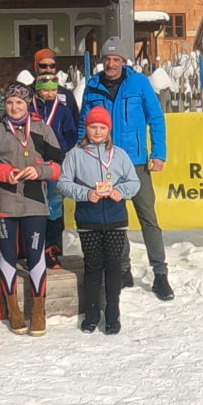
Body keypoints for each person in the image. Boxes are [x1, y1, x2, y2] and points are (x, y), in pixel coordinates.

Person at [79, 37, 173, 301]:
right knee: (114, 221)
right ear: (102, 61)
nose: (111, 64)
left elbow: (156, 118)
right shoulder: (93, 86)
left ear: (123, 61)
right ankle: (123, 270)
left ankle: (160, 274)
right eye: (107, 59)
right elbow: (84, 122)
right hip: (105, 163)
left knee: (148, 219)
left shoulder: (139, 83)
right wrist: (82, 154)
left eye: (116, 59)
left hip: (137, 163)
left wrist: (159, 153)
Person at [0, 83, 62, 336]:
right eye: (9, 102)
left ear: (27, 104)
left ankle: (38, 310)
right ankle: (13, 309)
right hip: (5, 203)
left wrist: (39, 171)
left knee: (35, 255)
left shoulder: (41, 129)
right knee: (7, 255)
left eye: (19, 102)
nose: (14, 107)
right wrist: (4, 172)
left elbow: (58, 165)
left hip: (35, 203)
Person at [58, 106, 141, 334]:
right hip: (89, 219)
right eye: (93, 127)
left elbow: (134, 182)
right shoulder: (76, 155)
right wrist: (85, 193)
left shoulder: (119, 154)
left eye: (102, 127)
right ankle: (92, 312)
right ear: (86, 129)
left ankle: (113, 311)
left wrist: (120, 191)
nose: (97, 132)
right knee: (93, 266)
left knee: (114, 266)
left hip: (116, 218)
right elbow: (63, 183)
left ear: (108, 130)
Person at [30, 73, 77, 270]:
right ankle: (33, 251)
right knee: (33, 206)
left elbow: (71, 134)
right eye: (46, 90)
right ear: (37, 91)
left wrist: (58, 150)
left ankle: (51, 250)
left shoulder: (63, 111)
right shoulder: (30, 109)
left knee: (54, 206)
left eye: (53, 90)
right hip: (33, 164)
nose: (50, 94)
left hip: (55, 165)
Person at [34, 48, 80, 129]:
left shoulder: (66, 94)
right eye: (43, 66)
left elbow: (75, 125)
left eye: (52, 66)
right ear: (35, 67)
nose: (48, 69)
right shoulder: (27, 93)